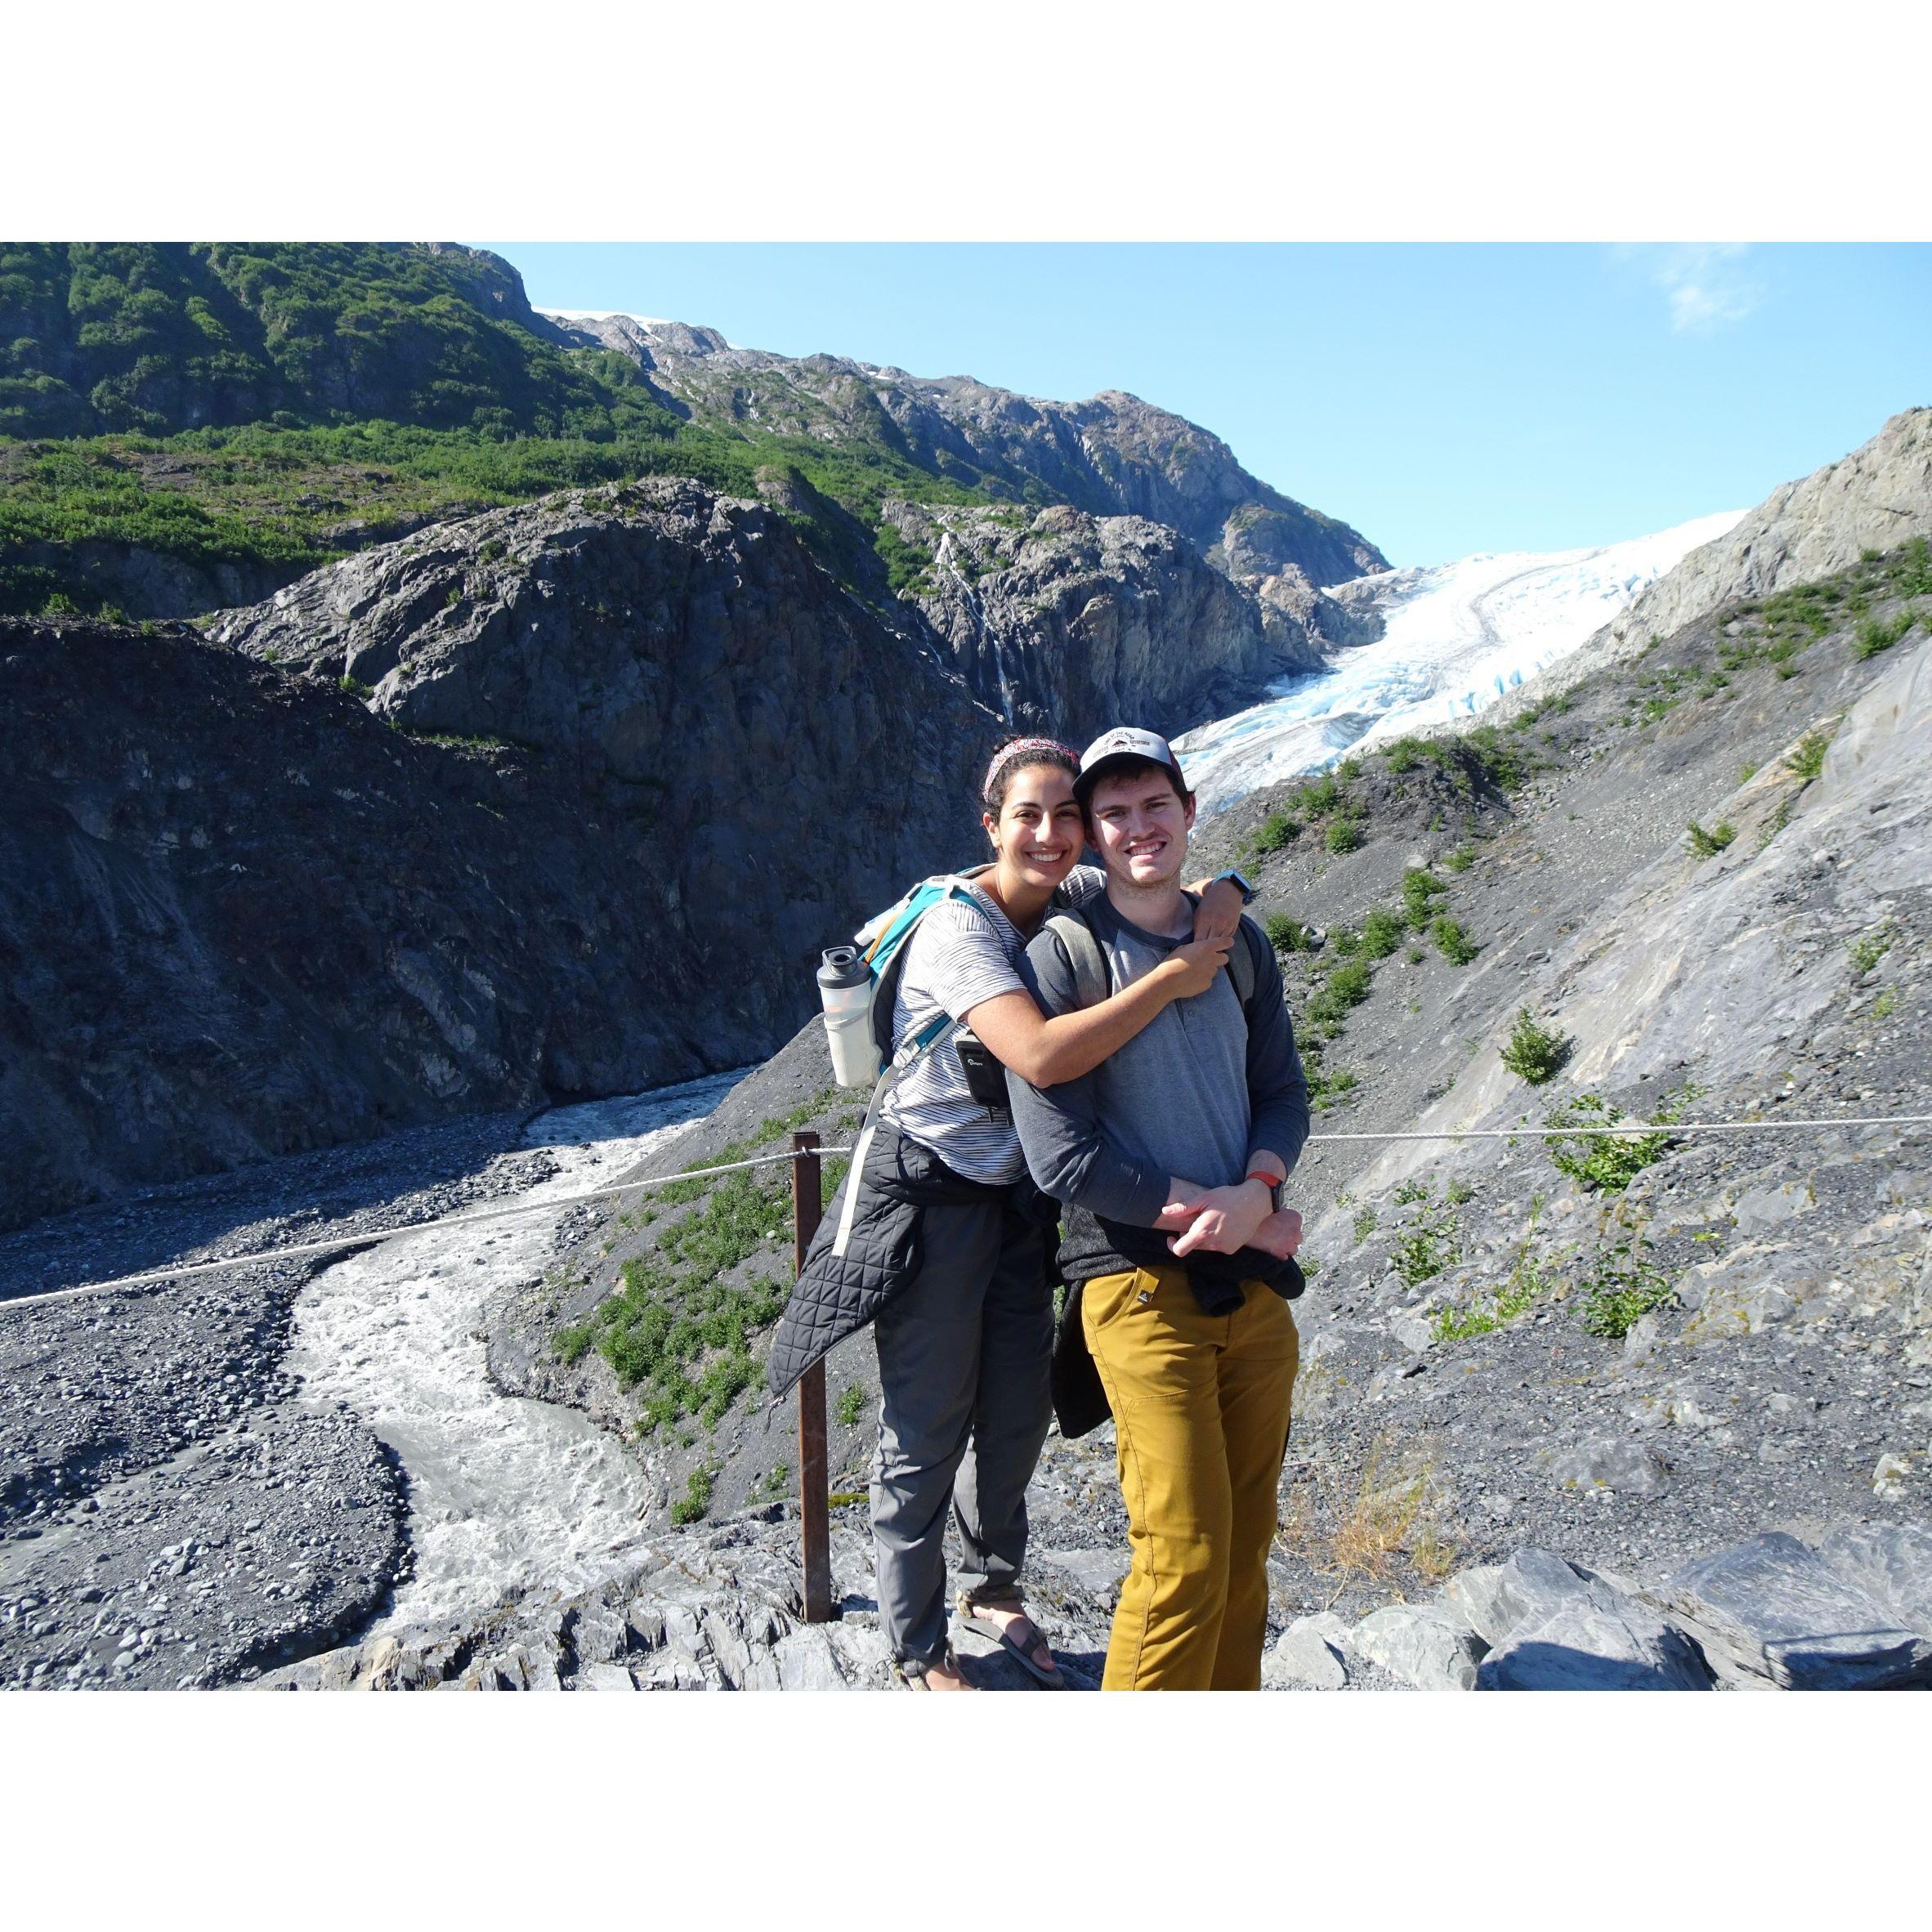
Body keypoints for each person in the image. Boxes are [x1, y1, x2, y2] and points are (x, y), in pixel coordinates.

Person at [766, 736, 1295, 1691]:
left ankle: (992, 1585)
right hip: (928, 1192)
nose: (1051, 834)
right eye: (1029, 816)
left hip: (1018, 1192)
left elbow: (1170, 876)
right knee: (928, 1420)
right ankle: (917, 1644)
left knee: (1016, 1407)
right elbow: (1043, 1057)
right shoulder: (959, 932)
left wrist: (1228, 893)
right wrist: (1172, 979)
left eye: (1066, 816)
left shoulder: (1071, 890)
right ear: (991, 826)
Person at [1008, 725, 1311, 1692]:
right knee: (1183, 1558)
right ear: (1093, 834)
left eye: (1155, 806)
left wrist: (1256, 1194)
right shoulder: (1064, 957)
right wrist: (1217, 1209)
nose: (1139, 827)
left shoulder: (1239, 940)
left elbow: (1282, 1091)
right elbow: (1062, 1156)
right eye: (1115, 813)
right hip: (1138, 1286)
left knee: (1245, 1554)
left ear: (1188, 810)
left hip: (1252, 1279)